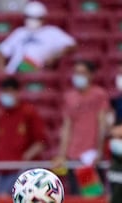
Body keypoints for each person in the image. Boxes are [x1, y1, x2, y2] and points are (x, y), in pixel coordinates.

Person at [52, 60, 109, 195]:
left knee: (92, 196)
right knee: (77, 196)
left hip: (90, 156)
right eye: (76, 72)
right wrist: (62, 154)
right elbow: (66, 127)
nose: (78, 76)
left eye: (82, 73)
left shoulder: (99, 95)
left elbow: (102, 123)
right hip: (74, 156)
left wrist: (99, 150)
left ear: (91, 75)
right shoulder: (69, 97)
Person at [0, 77, 47, 196]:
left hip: (22, 171)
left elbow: (40, 143)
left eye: (10, 91)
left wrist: (24, 159)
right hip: (3, 171)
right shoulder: (1, 115)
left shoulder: (28, 113)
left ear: (18, 92)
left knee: (5, 197)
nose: (7, 95)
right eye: (4, 91)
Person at [0, 1, 76, 74]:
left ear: (43, 18)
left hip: (36, 72)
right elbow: (2, 51)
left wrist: (55, 56)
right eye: (29, 17)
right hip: (14, 73)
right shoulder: (19, 32)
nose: (33, 20)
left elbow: (71, 45)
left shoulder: (52, 32)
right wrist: (1, 69)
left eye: (37, 18)